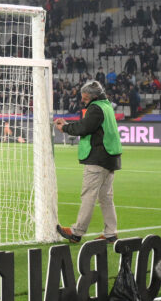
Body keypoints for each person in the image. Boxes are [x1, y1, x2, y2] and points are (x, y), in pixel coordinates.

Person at [53, 81, 122, 244]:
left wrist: (65, 128)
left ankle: (77, 232)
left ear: (94, 96)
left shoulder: (96, 108)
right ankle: (111, 233)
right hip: (110, 157)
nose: (83, 100)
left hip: (98, 157)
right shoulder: (107, 106)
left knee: (88, 196)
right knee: (106, 197)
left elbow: (84, 127)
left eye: (85, 98)